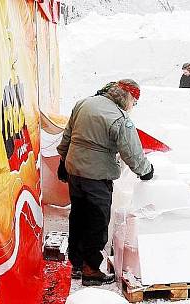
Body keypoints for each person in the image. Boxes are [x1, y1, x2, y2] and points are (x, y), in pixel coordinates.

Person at [57, 79, 154, 286]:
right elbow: (133, 153)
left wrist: (62, 161)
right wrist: (146, 171)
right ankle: (91, 271)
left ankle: (77, 263)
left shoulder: (84, 103)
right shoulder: (119, 119)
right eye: (134, 103)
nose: (132, 108)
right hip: (97, 176)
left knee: (78, 216)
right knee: (96, 221)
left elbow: (67, 136)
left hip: (75, 171)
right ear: (128, 98)